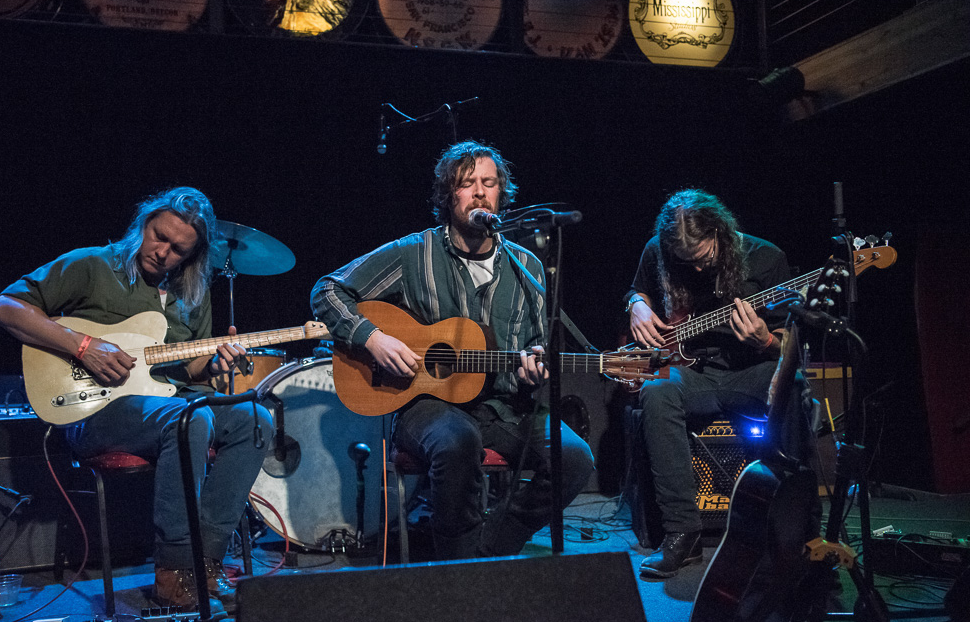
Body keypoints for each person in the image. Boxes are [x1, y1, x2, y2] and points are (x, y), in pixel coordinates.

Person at [0, 187, 273, 612]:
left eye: (178, 250)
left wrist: (214, 364)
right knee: (189, 419)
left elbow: (192, 368)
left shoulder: (192, 294)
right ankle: (173, 573)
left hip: (165, 401)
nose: (162, 252)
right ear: (143, 223)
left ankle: (206, 561)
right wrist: (83, 345)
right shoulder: (92, 265)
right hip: (95, 409)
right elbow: (5, 307)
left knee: (255, 419)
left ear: (193, 256)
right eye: (159, 236)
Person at [311, 141, 594, 560]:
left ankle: (491, 546)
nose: (479, 192)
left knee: (575, 459)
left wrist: (532, 367)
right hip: (424, 404)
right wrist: (373, 337)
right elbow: (328, 290)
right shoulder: (414, 253)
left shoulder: (528, 266)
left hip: (506, 404)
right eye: (467, 183)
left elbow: (536, 342)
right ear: (449, 195)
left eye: (489, 183)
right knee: (458, 441)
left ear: (502, 194)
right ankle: (457, 566)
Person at [624, 188, 814, 578]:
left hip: (752, 371)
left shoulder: (766, 258)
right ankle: (683, 533)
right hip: (695, 373)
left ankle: (799, 535)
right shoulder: (657, 251)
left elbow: (790, 343)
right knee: (656, 390)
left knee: (794, 385)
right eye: (685, 262)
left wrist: (764, 339)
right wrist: (637, 305)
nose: (695, 269)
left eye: (703, 257)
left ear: (719, 233)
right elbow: (636, 288)